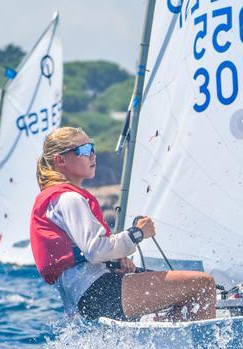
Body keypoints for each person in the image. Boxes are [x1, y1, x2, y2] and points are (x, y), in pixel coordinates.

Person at [30, 126, 216, 322]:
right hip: (97, 291)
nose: (93, 155)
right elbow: (95, 250)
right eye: (84, 150)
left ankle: (169, 345)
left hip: (88, 294)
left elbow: (84, 252)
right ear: (61, 160)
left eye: (92, 147)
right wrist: (137, 234)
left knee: (184, 291)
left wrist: (116, 259)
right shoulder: (69, 199)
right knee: (202, 285)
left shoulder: (58, 199)